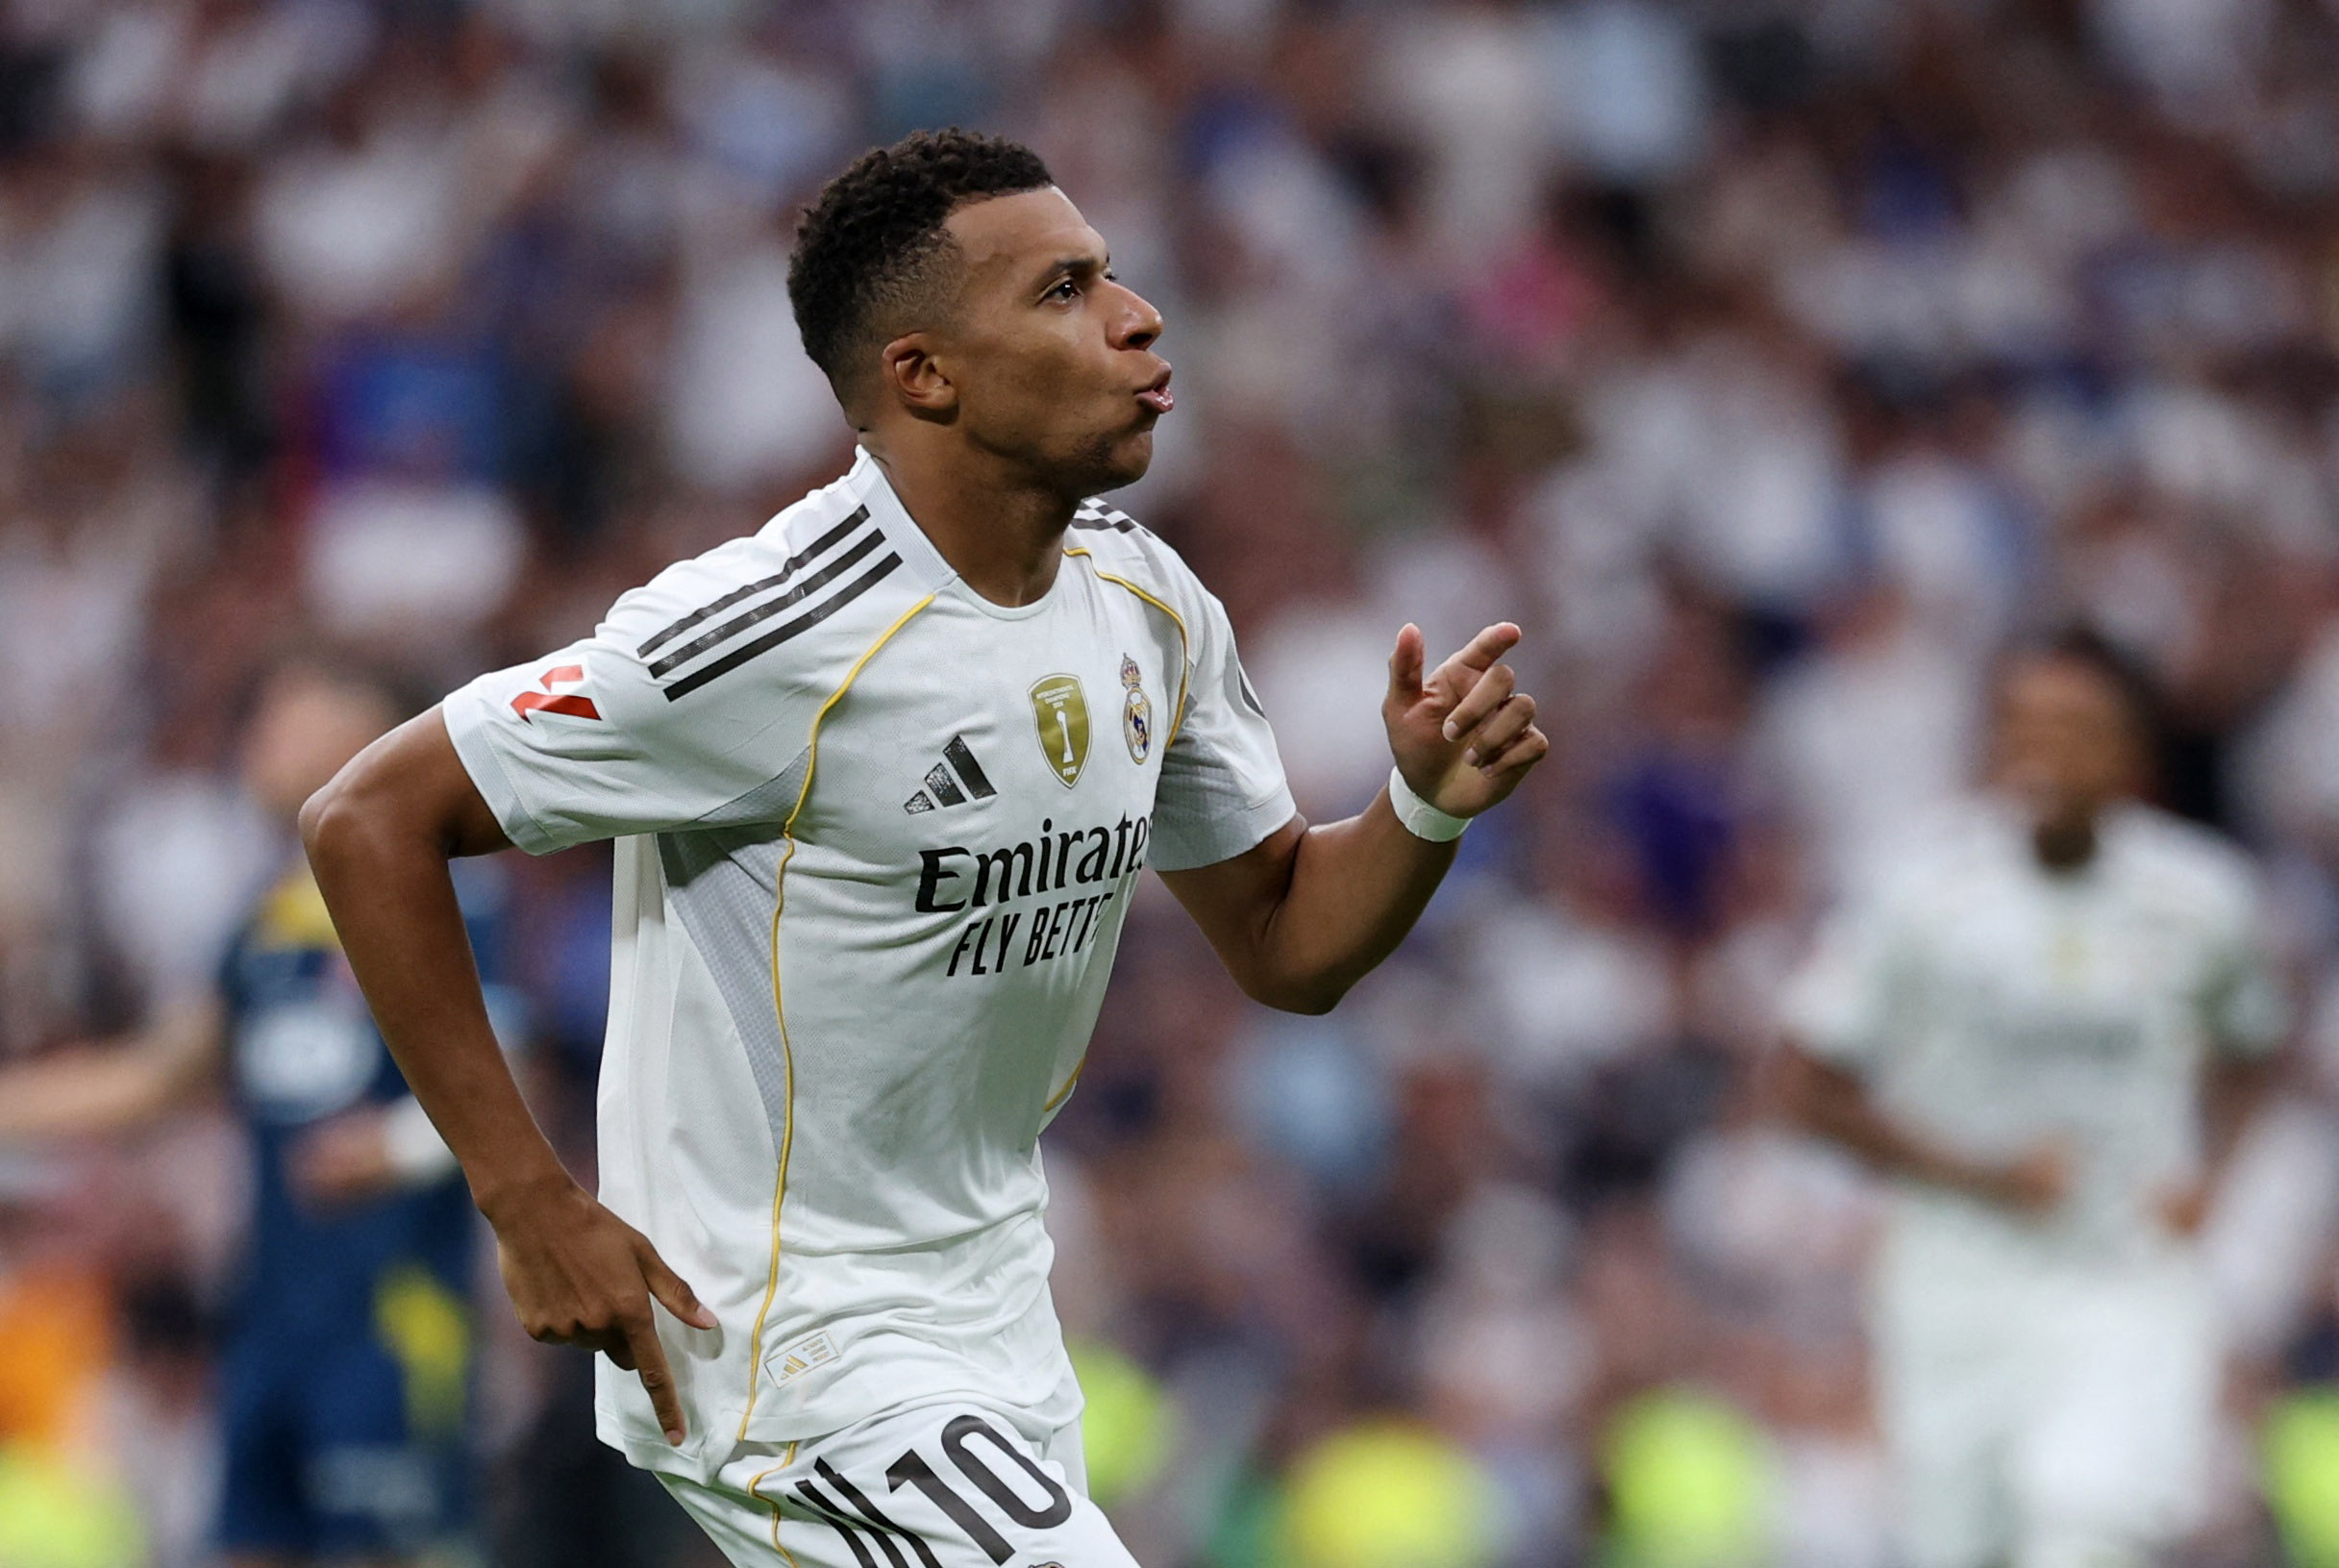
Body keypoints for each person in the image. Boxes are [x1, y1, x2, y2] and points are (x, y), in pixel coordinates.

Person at [298, 129, 1549, 1567]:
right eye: (1063, 290)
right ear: (924, 374)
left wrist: (1422, 805)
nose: (1135, 316)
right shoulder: (770, 629)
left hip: (996, 1316)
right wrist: (528, 1198)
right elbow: (368, 815)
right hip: (784, 1338)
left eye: (1114, 275)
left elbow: (1288, 940)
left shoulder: (1144, 598)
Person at [1774, 629, 2285, 1568]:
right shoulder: (1920, 890)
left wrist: (2210, 1171)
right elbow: (1803, 1083)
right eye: (2023, 724)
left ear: (2132, 755)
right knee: (1959, 1543)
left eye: (2079, 727)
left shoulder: (2200, 896)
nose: (2045, 749)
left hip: (2124, 1270)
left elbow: (2256, 1042)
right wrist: (1977, 1171)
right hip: (1955, 1272)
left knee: (2089, 1534)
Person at [0, 660, 513, 1566]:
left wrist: (396, 1147)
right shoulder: (267, 920)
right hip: (271, 1322)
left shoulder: (443, 897)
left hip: (389, 1326)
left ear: (378, 739)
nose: (266, 730)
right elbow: (156, 1076)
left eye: (298, 712)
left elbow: (520, 1084)